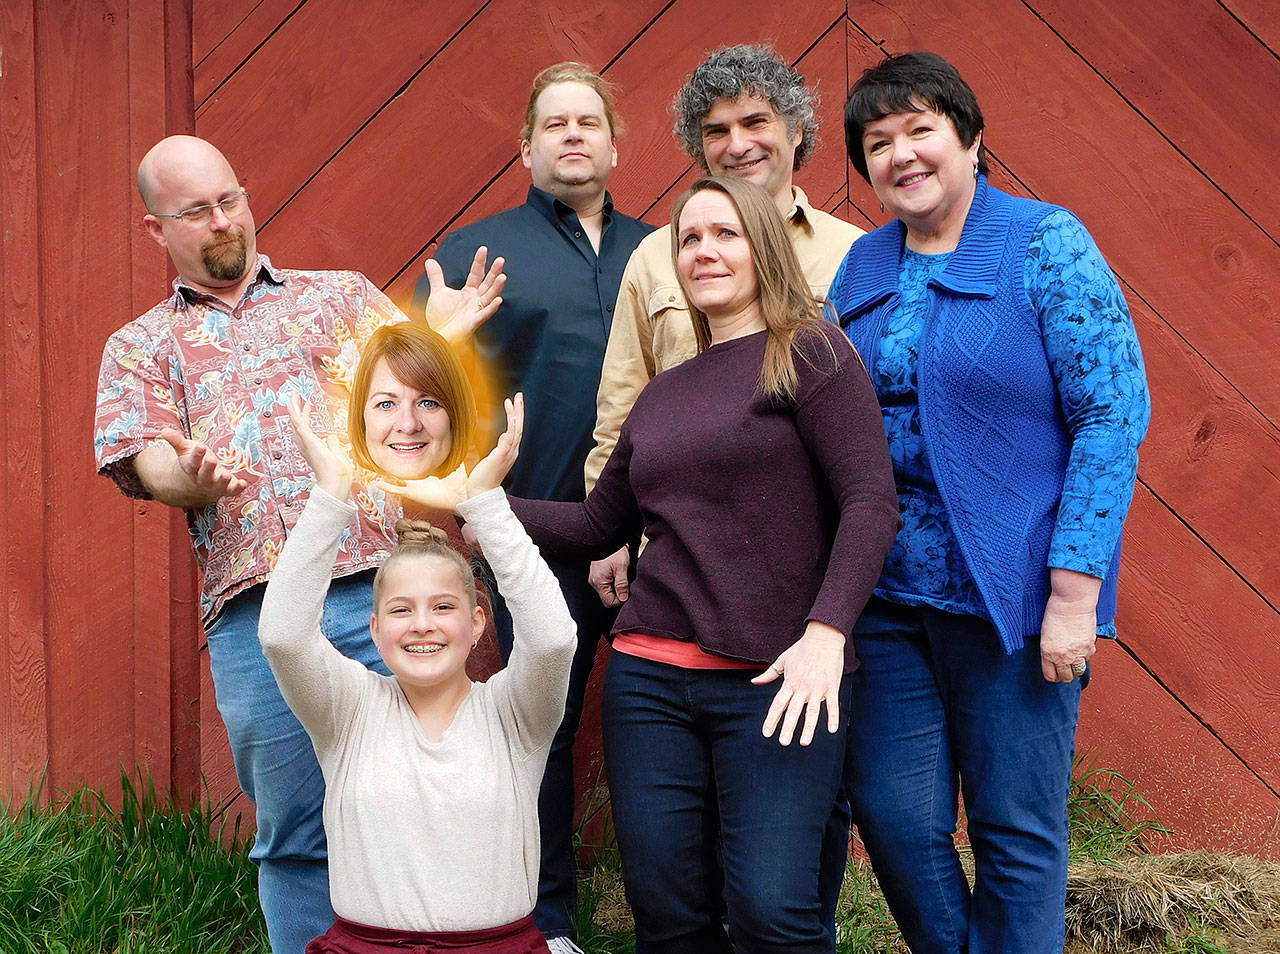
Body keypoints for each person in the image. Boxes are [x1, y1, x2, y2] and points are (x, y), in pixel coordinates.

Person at [402, 175, 899, 954]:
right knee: (668, 917)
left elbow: (872, 503)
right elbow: (602, 522)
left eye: (725, 234)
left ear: (763, 248)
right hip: (651, 682)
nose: (704, 251)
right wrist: (476, 501)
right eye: (689, 238)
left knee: (773, 915)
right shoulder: (665, 393)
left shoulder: (810, 353)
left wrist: (827, 634)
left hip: (775, 684)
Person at [93, 135, 502, 954]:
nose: (222, 221)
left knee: (431, 798)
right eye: (196, 211)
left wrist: (443, 338)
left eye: (230, 199)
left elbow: (416, 403)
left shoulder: (340, 298)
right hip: (259, 621)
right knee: (296, 834)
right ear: (155, 229)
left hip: (386, 596)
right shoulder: (140, 347)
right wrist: (192, 478)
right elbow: (148, 461)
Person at [827, 52, 1152, 954]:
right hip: (886, 604)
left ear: (971, 139)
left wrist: (1074, 597)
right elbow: (820, 409)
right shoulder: (861, 264)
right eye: (878, 142)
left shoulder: (1045, 243)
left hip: (1012, 601)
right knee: (893, 817)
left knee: (1014, 833)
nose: (902, 155)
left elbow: (1113, 412)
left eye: (921, 129)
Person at [411, 62, 652, 954]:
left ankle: (676, 920)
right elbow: (415, 392)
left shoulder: (663, 249)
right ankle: (543, 926)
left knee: (662, 726)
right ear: (526, 146)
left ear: (616, 145)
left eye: (590, 122)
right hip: (536, 537)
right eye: (555, 124)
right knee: (538, 733)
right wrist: (440, 338)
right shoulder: (482, 254)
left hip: (661, 537)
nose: (574, 135)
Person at [258, 377, 575, 954]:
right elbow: (282, 637)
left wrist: (486, 506)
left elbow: (553, 641)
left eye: (444, 607)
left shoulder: (515, 715)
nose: (423, 624)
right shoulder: (349, 712)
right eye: (401, 610)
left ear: (477, 622)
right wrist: (331, 495)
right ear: (376, 631)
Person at [584, 44, 864, 611]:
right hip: (675, 554)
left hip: (808, 560)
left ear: (795, 130)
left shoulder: (855, 255)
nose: (737, 145)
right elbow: (621, 402)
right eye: (716, 130)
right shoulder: (655, 256)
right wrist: (607, 526)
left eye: (756, 121)